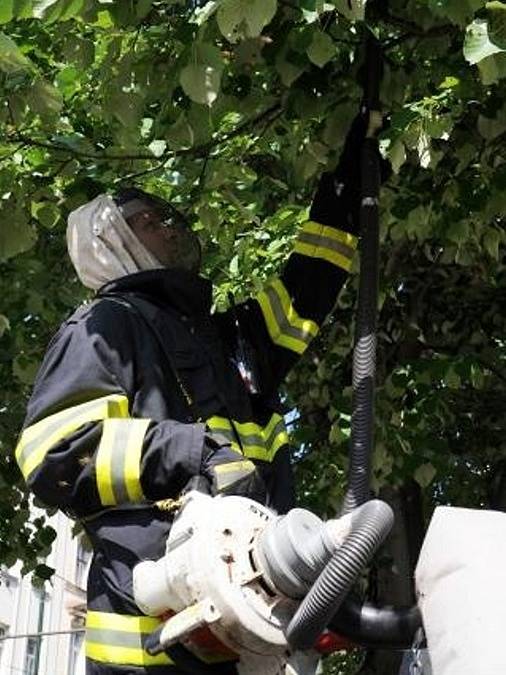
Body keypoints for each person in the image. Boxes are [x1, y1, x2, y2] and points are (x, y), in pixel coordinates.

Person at [14, 115, 370, 675]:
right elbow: (56, 450)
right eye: (150, 221)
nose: (172, 229)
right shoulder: (104, 326)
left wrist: (347, 190)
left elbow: (307, 289)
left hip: (248, 623)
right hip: (150, 646)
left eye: (168, 218)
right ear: (114, 242)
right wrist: (197, 453)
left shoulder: (225, 341)